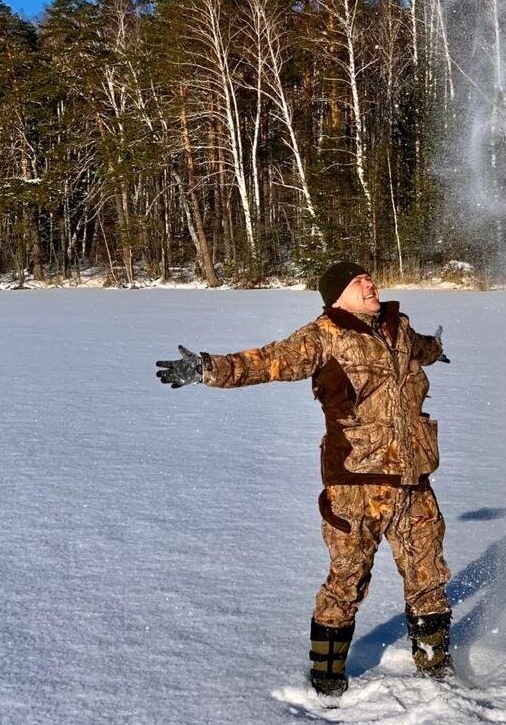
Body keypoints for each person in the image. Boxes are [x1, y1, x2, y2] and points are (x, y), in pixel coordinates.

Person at [155, 261, 453, 697]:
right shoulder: (323, 335)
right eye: (358, 282)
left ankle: (436, 671)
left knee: (429, 576)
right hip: (356, 484)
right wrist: (207, 369)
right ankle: (328, 681)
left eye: (368, 278)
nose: (369, 283)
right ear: (337, 297)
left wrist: (434, 348)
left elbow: (420, 349)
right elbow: (269, 362)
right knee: (347, 579)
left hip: (413, 480)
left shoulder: (398, 326)